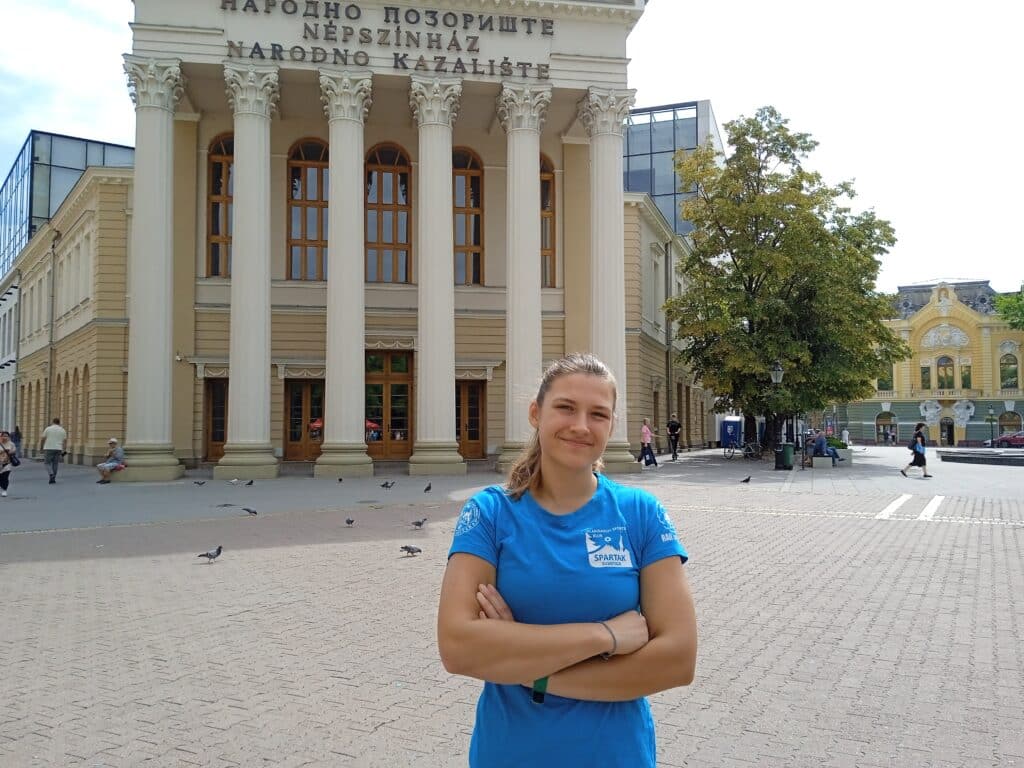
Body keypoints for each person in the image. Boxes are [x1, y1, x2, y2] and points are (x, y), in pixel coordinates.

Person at [437, 353, 697, 767]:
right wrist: (605, 636)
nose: (581, 425)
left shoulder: (640, 512)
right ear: (536, 413)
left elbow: (678, 660)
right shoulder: (490, 513)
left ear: (611, 426)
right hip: (511, 754)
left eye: (598, 414)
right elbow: (457, 646)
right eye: (565, 408)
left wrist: (530, 670)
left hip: (615, 756)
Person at [40, 417, 68, 484]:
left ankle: (51, 474)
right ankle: (53, 478)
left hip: (48, 448)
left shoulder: (48, 429)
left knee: (47, 463)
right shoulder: (62, 430)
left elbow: (43, 439)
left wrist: (41, 447)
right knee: (55, 464)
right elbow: (65, 441)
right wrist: (64, 450)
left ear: (53, 422)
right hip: (58, 448)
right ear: (59, 422)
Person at [0, 430, 17, 497]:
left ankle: (4, 490)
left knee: (5, 477)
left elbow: (14, 451)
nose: (5, 437)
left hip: (7, 463)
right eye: (3, 436)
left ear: (9, 437)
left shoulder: (11, 444)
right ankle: (2, 485)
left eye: (6, 436)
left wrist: (10, 452)